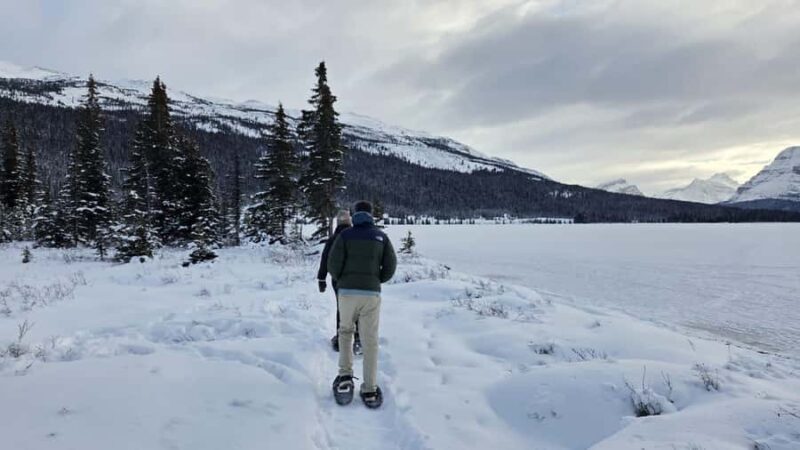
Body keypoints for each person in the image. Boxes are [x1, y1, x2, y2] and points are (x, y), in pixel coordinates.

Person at [327, 200, 397, 408]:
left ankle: (345, 377)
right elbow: (391, 266)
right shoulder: (381, 237)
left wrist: (343, 281)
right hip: (371, 294)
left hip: (347, 292)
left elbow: (333, 264)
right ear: (371, 215)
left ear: (355, 215)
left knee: (346, 332)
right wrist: (375, 280)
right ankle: (370, 388)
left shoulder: (345, 235)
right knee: (370, 340)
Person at [317, 209, 358, 352]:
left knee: (342, 308)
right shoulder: (356, 236)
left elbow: (325, 259)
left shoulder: (333, 239)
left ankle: (341, 341)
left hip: (338, 280)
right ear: (350, 222)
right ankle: (358, 339)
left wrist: (321, 278)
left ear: (338, 222)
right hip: (356, 278)